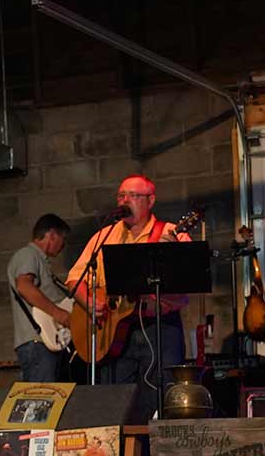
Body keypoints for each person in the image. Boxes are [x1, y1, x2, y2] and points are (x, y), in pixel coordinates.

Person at [63, 175, 193, 413]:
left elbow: (188, 279)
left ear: (150, 200)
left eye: (133, 196)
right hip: (114, 333)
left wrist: (166, 262)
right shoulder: (105, 236)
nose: (125, 200)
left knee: (162, 399)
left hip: (159, 329)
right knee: (116, 404)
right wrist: (89, 302)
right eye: (121, 195)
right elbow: (74, 279)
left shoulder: (172, 233)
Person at [8, 213, 72, 381]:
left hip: (47, 343)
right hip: (38, 343)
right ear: (51, 235)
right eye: (62, 238)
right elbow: (24, 286)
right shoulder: (28, 254)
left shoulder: (39, 260)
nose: (63, 245)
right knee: (41, 403)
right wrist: (58, 313)